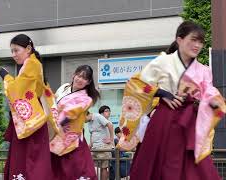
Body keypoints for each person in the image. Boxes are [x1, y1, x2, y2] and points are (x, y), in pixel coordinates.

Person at [117, 21, 226, 180]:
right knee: (159, 165)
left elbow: (209, 93)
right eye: (193, 40)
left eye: (200, 41)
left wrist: (213, 102)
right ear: (180, 40)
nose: (197, 45)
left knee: (198, 169)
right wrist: (162, 93)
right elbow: (135, 83)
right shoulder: (162, 62)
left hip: (189, 123)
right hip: (164, 120)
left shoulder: (203, 70)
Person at [0, 34, 55, 180]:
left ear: (28, 48)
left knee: (28, 159)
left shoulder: (32, 64)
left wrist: (6, 77)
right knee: (33, 160)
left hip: (30, 122)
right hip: (31, 119)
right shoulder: (32, 64)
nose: (13, 55)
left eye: (16, 50)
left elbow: (17, 91)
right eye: (12, 51)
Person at [50, 65, 100, 180]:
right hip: (55, 134)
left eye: (84, 78)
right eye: (78, 75)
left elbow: (72, 112)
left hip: (72, 137)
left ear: (88, 82)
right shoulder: (64, 87)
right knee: (56, 170)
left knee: (76, 170)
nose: (80, 79)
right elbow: (53, 101)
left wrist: (60, 122)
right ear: (74, 75)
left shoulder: (87, 98)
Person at [86, 106, 114, 180]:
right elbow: (92, 134)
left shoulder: (98, 116)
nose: (83, 121)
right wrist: (90, 145)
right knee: (94, 167)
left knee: (104, 168)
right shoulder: (89, 122)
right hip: (95, 147)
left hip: (103, 146)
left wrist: (111, 139)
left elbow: (110, 125)